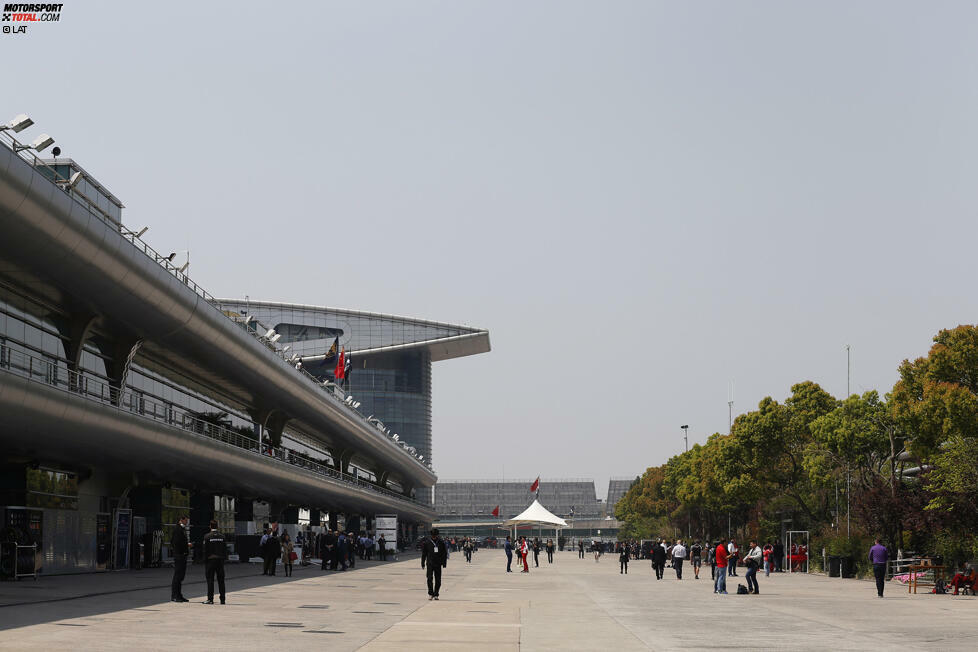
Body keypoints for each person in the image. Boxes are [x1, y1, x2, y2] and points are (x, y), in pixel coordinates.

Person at [202, 520, 227, 605]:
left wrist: (204, 560)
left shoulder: (207, 536)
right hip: (220, 561)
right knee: (221, 581)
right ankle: (222, 599)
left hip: (210, 561)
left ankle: (210, 599)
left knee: (210, 580)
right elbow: (225, 549)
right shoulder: (222, 537)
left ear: (210, 526)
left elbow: (205, 550)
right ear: (217, 526)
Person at [421, 528, 448, 600]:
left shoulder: (441, 542)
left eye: (435, 535)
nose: (434, 537)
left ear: (437, 535)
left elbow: (444, 553)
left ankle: (436, 594)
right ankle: (430, 593)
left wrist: (444, 563)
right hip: (430, 563)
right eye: (433, 535)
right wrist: (422, 563)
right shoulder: (427, 542)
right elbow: (424, 554)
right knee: (429, 578)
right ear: (431, 535)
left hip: (438, 563)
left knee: (438, 579)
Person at [170, 515, 192, 602]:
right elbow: (175, 542)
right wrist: (185, 547)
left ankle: (179, 595)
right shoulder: (177, 529)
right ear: (181, 520)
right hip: (179, 555)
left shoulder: (182, 529)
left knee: (181, 576)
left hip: (182, 555)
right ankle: (175, 595)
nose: (187, 522)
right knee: (177, 576)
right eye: (186, 521)